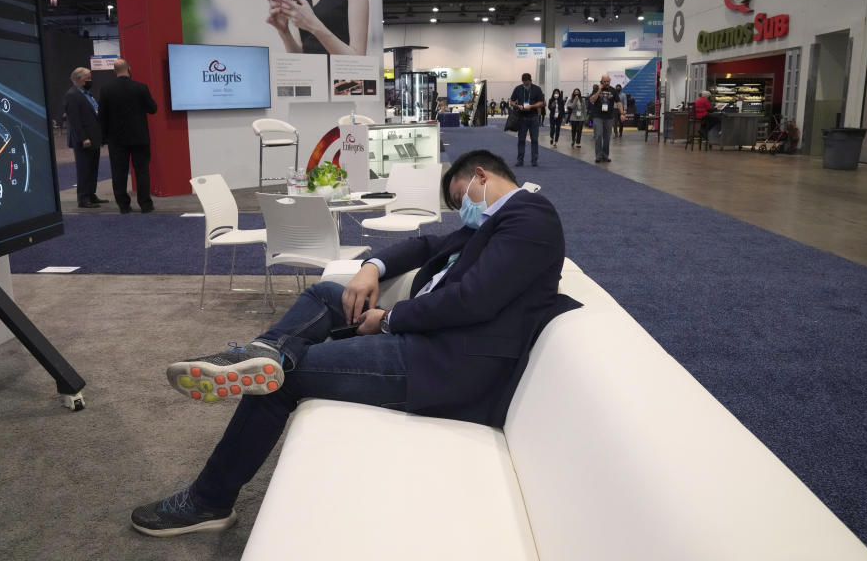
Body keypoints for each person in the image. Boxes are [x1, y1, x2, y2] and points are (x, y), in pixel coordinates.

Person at [129, 149, 579, 537]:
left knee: (280, 381)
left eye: (461, 198)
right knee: (326, 295)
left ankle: (209, 500)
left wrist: (389, 320)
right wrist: (371, 267)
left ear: (482, 177)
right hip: (425, 340)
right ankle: (266, 349)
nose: (462, 209)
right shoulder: (491, 223)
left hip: (444, 363)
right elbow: (426, 245)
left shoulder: (530, 217)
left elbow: (472, 301)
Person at [97, 59, 159, 214]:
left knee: (119, 172)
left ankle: (124, 205)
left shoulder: (106, 89)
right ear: (129, 69)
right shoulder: (140, 88)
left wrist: (103, 137)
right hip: (140, 137)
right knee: (142, 171)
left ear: (114, 71)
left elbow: (102, 117)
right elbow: (153, 109)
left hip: (116, 139)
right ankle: (145, 204)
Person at [63, 67, 107, 208]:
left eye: (90, 77)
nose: (90, 80)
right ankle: (83, 198)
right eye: (87, 78)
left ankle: (91, 194)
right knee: (84, 169)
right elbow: (74, 120)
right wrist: (83, 138)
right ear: (78, 79)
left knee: (93, 168)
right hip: (84, 140)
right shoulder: (72, 95)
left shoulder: (87, 94)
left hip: (94, 138)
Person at [509, 73, 546, 167]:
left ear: (531, 80)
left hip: (534, 117)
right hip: (521, 118)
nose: (525, 83)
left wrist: (532, 106)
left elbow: (542, 102)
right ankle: (520, 160)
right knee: (521, 140)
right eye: (524, 82)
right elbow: (511, 101)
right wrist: (517, 105)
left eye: (527, 82)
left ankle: (534, 160)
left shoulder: (537, 89)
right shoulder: (518, 89)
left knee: (534, 140)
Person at [588, 75, 622, 163]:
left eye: (608, 81)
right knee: (598, 135)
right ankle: (598, 156)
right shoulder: (596, 89)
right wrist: (599, 90)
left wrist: (622, 113)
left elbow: (618, 102)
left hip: (609, 117)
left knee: (607, 137)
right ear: (601, 81)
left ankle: (605, 155)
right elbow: (592, 100)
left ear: (610, 81)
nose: (606, 83)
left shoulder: (613, 90)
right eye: (605, 81)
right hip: (597, 116)